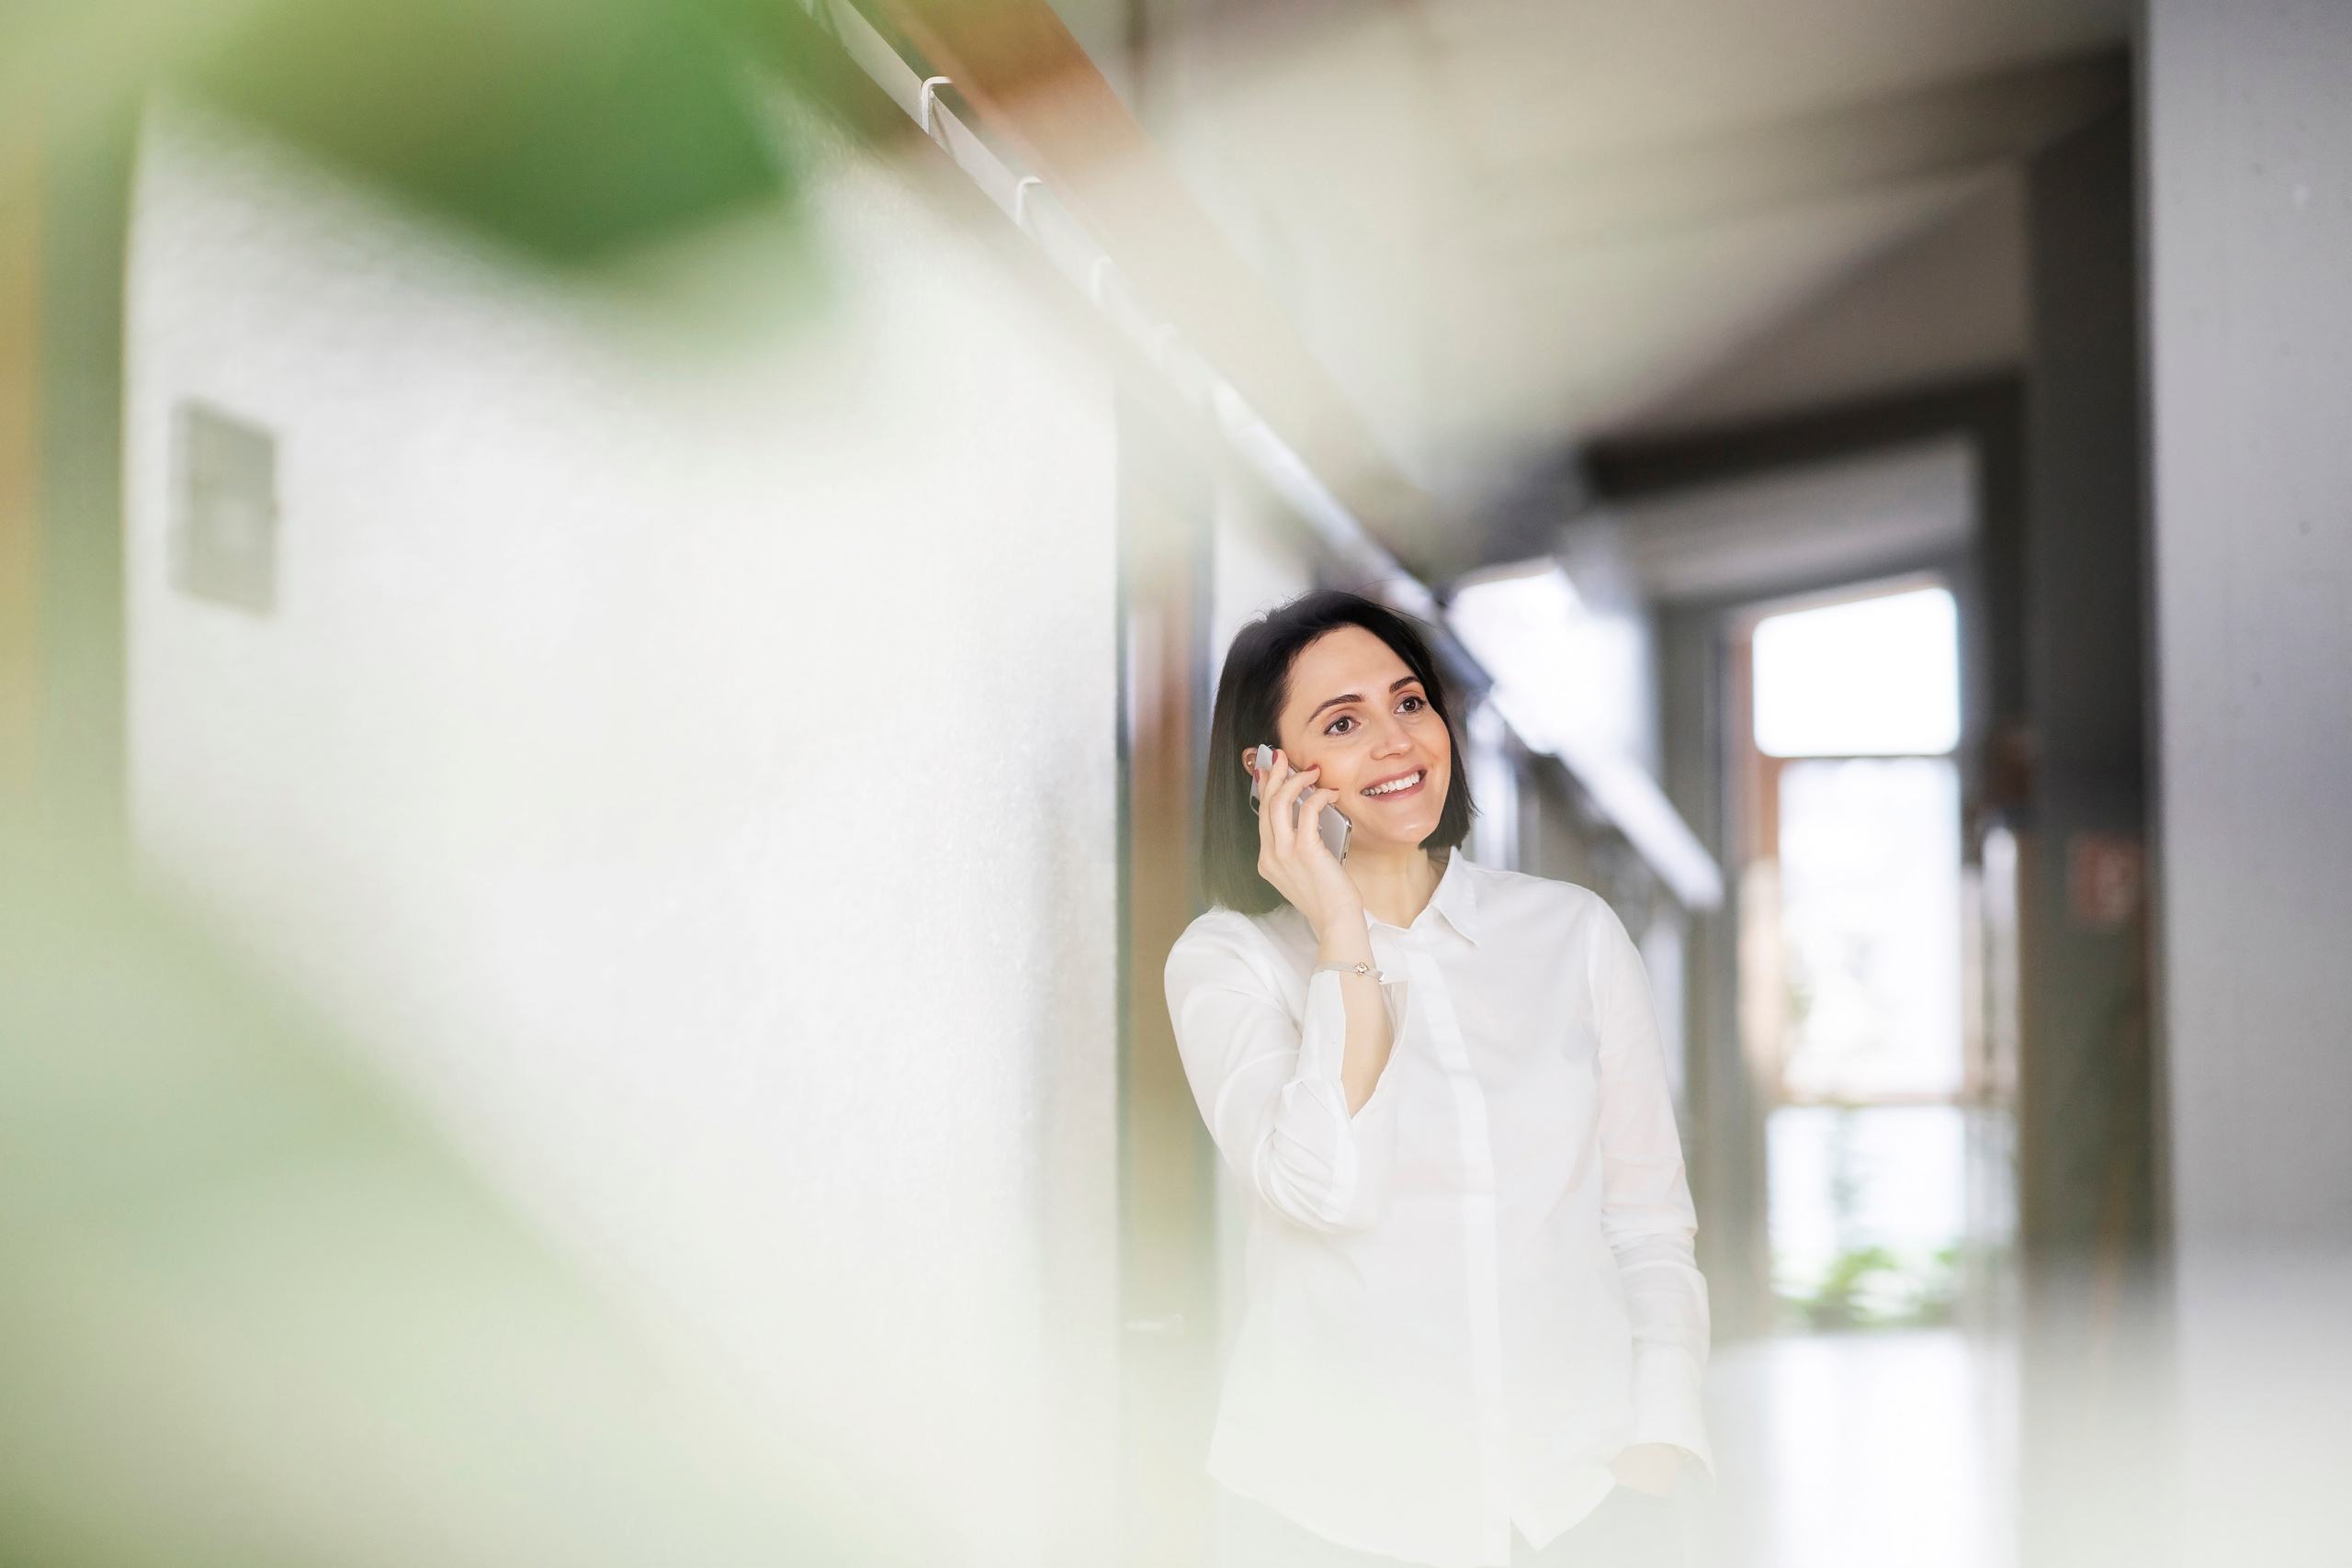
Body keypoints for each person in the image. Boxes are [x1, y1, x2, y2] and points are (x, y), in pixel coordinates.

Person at [1164, 591, 1711, 1568]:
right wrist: (1341, 927)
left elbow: (1646, 1220)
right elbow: (1326, 1188)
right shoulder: (1227, 962)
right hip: (1330, 1519)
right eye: (1342, 722)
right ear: (1268, 770)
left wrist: (1658, 1443)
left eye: (1409, 701)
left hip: (1582, 1500)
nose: (1396, 740)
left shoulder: (1574, 933)